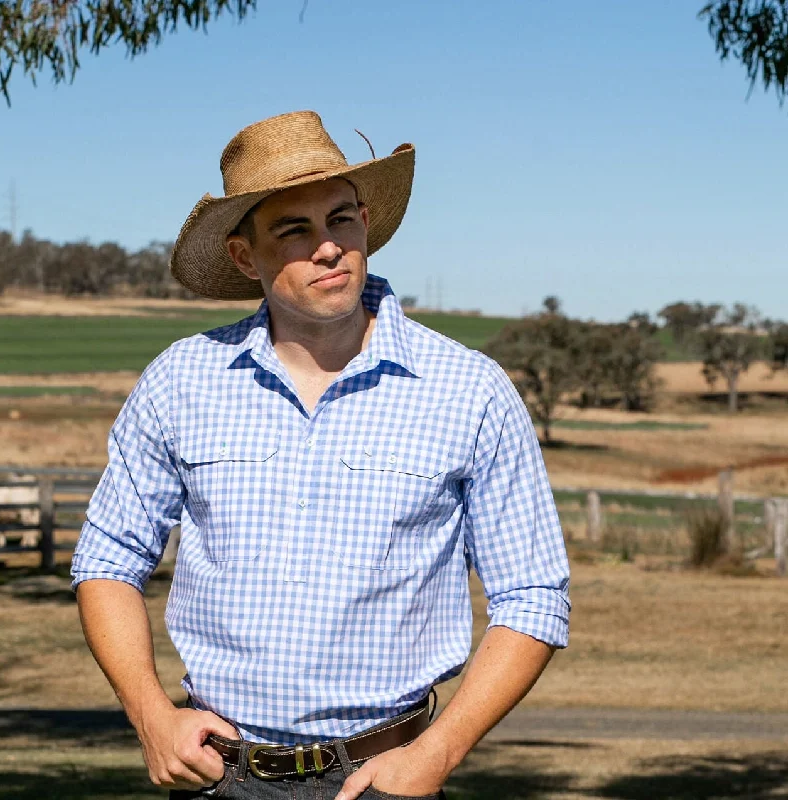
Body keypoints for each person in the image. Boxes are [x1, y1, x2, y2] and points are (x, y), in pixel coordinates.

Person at [71, 110, 570, 800]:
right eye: (293, 230)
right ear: (246, 256)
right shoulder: (181, 381)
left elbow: (533, 596)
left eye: (340, 219)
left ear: (366, 221)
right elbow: (107, 560)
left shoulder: (469, 390)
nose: (329, 247)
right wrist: (151, 715)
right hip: (221, 776)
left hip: (387, 779)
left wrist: (440, 752)